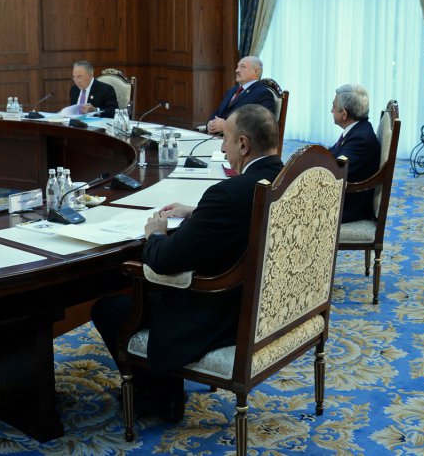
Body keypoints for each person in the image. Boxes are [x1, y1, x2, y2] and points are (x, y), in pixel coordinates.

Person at [91, 103, 284, 423]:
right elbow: (246, 215)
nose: (222, 149)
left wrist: (155, 235)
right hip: (269, 306)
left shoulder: (227, 194)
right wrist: (197, 212)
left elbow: (165, 261)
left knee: (109, 308)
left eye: (225, 139)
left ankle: (157, 398)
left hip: (223, 315)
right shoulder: (285, 179)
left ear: (243, 144)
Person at [330, 83, 381, 221]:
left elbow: (337, 171)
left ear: (344, 114)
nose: (331, 110)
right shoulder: (359, 129)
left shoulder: (361, 139)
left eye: (334, 106)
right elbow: (334, 152)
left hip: (348, 206)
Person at [204, 55, 275, 135]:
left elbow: (262, 126)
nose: (237, 70)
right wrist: (210, 124)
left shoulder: (263, 94)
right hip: (216, 137)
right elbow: (218, 113)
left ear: (255, 71)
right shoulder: (232, 90)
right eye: (237, 67)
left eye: (242, 67)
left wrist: (227, 127)